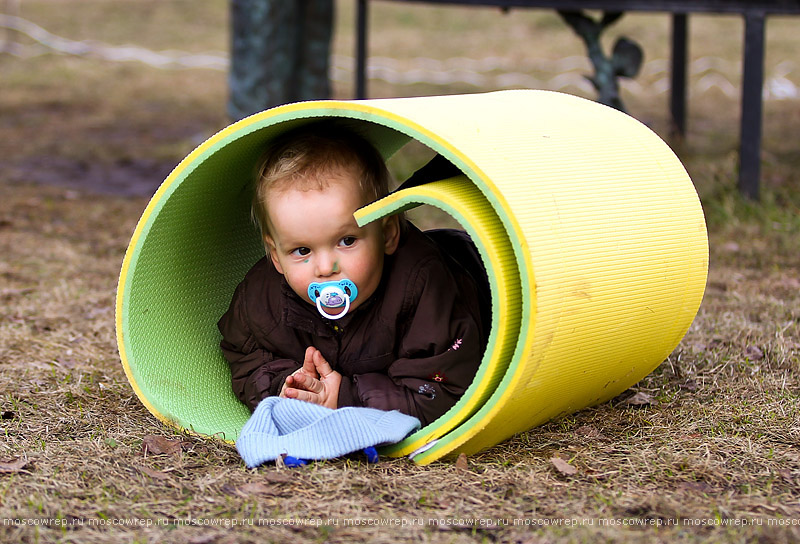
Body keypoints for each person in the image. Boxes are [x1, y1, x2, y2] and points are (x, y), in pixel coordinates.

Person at [217, 122, 487, 426]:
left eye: (346, 241)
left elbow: (443, 388)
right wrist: (288, 386)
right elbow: (243, 357)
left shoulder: (425, 287)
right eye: (302, 251)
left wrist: (343, 399)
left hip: (472, 272)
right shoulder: (261, 299)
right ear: (276, 255)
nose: (324, 267)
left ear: (387, 234)